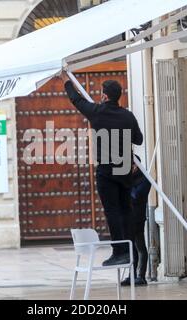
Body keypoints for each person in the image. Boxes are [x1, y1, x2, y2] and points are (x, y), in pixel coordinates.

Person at [60, 72, 143, 266]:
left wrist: (66, 80)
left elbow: (76, 99)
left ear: (105, 95)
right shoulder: (127, 116)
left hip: (106, 171)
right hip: (124, 169)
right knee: (125, 210)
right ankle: (129, 249)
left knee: (112, 211)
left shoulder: (97, 112)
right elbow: (138, 139)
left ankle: (120, 251)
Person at [121, 155, 151, 286]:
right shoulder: (128, 180)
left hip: (138, 218)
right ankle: (131, 276)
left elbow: (136, 196)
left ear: (136, 166)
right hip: (128, 218)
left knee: (139, 247)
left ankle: (141, 276)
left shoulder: (145, 179)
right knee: (131, 247)